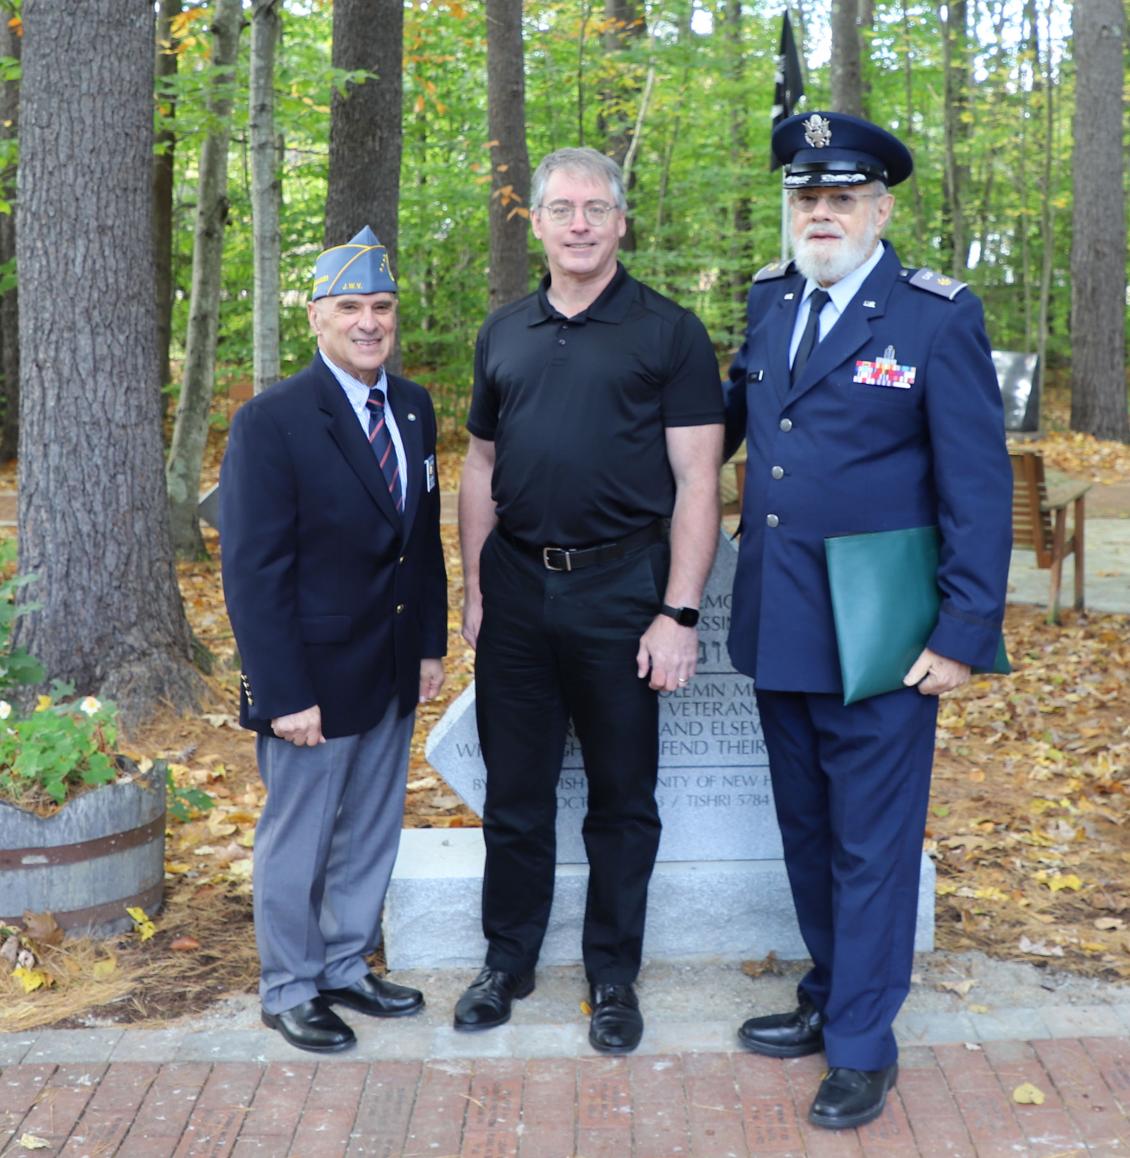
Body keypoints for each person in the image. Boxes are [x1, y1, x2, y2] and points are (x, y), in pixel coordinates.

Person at [725, 112, 1011, 1128]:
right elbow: (729, 430)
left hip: (884, 634)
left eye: (840, 197)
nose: (820, 213)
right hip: (780, 621)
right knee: (805, 832)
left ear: (879, 208)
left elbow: (977, 490)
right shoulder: (766, 303)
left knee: (871, 844)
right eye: (805, 197)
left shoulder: (933, 317)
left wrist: (961, 633)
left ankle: (859, 1044)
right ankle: (829, 995)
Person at [456, 146, 724, 1054]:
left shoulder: (671, 332)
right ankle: (507, 961)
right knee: (516, 792)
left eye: (595, 208)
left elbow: (697, 483)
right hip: (519, 589)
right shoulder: (504, 333)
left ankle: (613, 974)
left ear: (620, 222)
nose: (578, 223)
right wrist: (476, 588)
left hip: (624, 591)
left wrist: (679, 613)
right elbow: (481, 466)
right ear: (534, 222)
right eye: (561, 208)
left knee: (621, 798)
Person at [219, 226, 447, 1054]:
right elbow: (251, 572)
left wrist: (428, 645)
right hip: (309, 675)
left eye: (381, 306)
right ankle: (288, 986)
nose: (368, 322)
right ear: (316, 316)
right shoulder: (272, 420)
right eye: (349, 306)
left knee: (372, 826)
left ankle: (346, 964)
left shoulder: (413, 406)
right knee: (301, 834)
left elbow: (418, 541)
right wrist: (282, 695)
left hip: (389, 664)